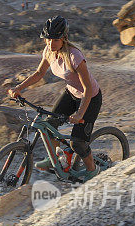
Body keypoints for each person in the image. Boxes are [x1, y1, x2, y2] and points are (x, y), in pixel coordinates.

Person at [8, 15, 103, 181]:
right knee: (49, 125)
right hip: (71, 93)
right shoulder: (49, 51)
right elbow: (39, 73)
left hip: (90, 98)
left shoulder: (75, 57)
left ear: (64, 38)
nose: (51, 43)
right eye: (48, 39)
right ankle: (61, 159)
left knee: (77, 143)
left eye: (55, 39)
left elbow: (87, 88)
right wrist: (18, 88)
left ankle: (92, 172)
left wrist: (80, 114)